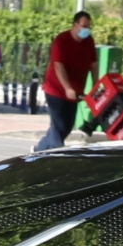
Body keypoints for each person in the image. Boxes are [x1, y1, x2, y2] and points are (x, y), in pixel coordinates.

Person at [37, 11, 97, 151]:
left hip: (75, 93)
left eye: (88, 27)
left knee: (67, 127)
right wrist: (67, 88)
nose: (86, 30)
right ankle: (58, 155)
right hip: (56, 90)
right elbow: (59, 67)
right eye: (83, 26)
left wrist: (96, 87)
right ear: (75, 25)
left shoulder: (89, 42)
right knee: (58, 126)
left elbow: (94, 66)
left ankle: (39, 150)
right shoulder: (61, 40)